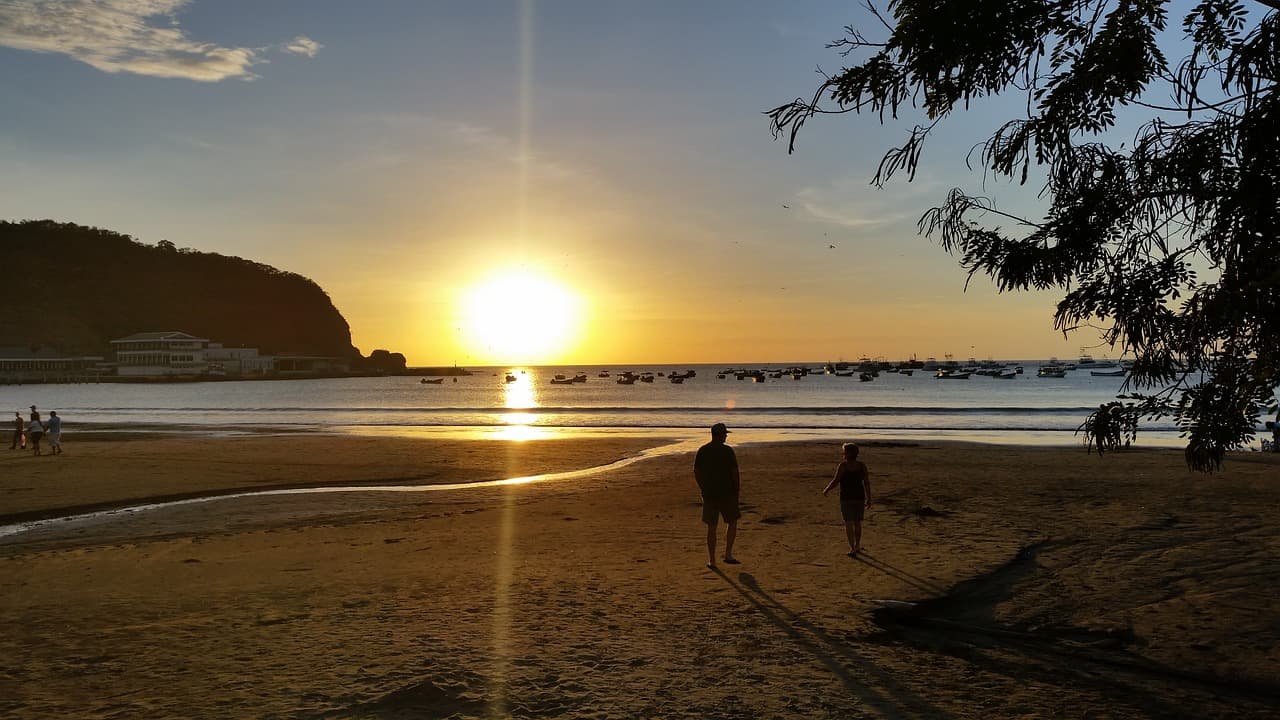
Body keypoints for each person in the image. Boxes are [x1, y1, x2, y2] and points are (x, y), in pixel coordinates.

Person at [694, 422, 740, 569]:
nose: (726, 436)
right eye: (724, 434)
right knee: (732, 521)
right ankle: (728, 553)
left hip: (710, 493)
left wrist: (702, 487)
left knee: (712, 526)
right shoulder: (727, 451)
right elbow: (734, 472)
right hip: (727, 492)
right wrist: (737, 489)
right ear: (719, 435)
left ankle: (712, 560)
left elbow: (697, 472)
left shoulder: (703, 450)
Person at [823, 443, 873, 557]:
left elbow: (836, 481)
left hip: (847, 498)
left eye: (844, 451)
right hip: (859, 497)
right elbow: (866, 483)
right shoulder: (861, 466)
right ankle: (857, 545)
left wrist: (827, 489)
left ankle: (853, 548)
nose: (843, 454)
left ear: (848, 454)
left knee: (849, 523)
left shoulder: (843, 466)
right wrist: (869, 497)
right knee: (857, 523)